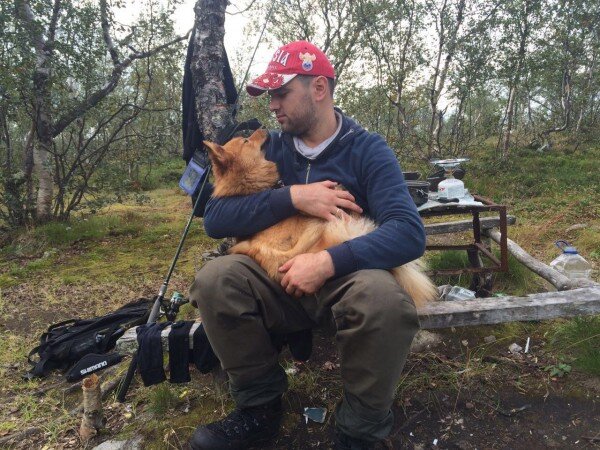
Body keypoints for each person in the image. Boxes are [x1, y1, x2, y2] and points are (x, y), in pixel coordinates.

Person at [188, 40, 424, 450]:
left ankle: (360, 431)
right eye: (269, 95)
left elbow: (407, 231)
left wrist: (329, 262)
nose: (273, 105)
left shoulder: (368, 149)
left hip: (344, 281)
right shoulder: (271, 148)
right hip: (275, 278)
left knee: (385, 300)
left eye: (282, 93)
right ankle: (259, 409)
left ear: (318, 89)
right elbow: (216, 219)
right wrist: (294, 197)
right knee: (215, 278)